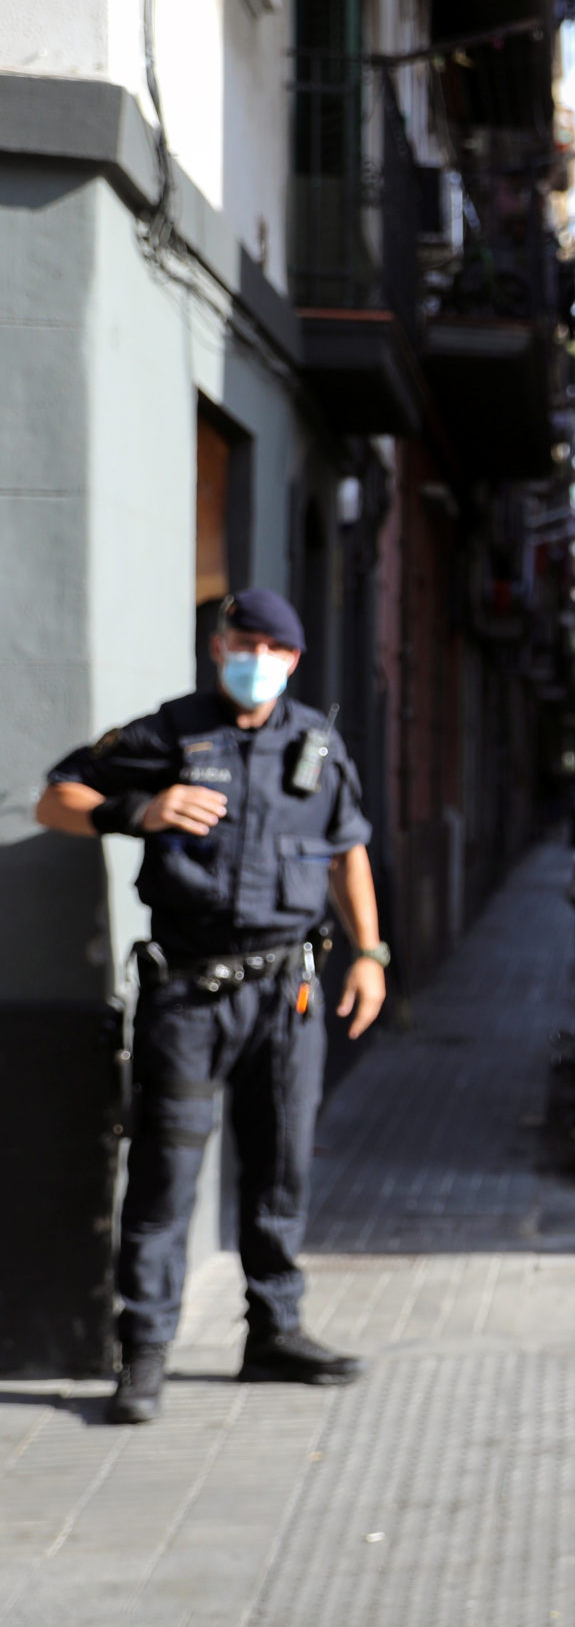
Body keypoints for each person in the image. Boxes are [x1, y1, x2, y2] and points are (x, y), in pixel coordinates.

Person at [35, 589, 384, 1424]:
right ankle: (145, 1351)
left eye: (277, 649)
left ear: (295, 662)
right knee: (166, 1173)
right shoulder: (169, 733)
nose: (258, 659)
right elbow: (57, 799)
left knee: (280, 1167)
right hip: (191, 995)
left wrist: (369, 953)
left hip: (288, 992)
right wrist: (140, 808)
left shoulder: (316, 742)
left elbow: (348, 849)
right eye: (246, 641)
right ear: (221, 642)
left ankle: (274, 1331)